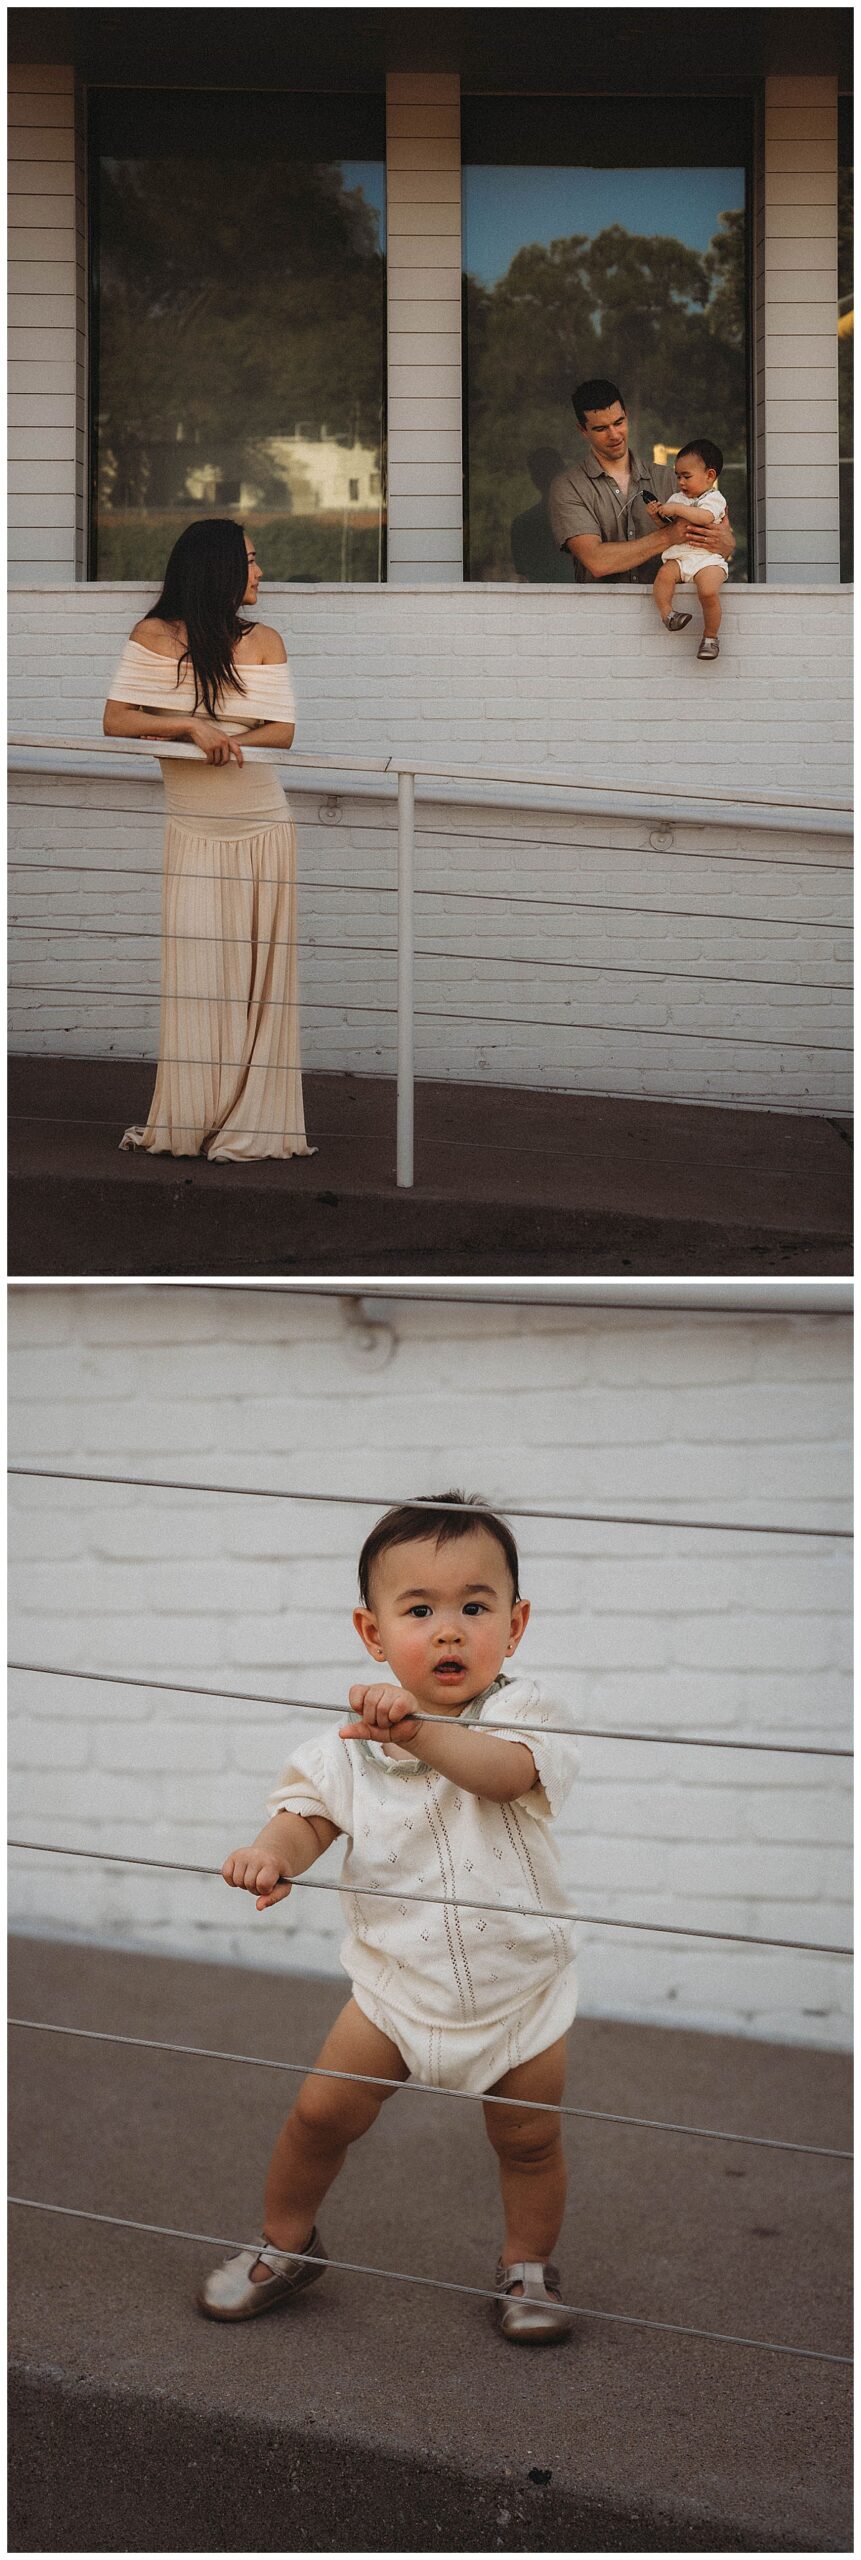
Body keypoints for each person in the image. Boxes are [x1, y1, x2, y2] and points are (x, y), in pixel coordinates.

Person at [199, 1492, 579, 2344]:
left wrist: (415, 1733)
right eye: (419, 1610)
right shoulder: (343, 1746)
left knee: (526, 2141)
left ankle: (528, 2268)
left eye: (474, 1608)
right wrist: (274, 1855)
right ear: (373, 1634)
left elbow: (502, 1775)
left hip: (518, 1988)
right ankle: (285, 2245)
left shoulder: (525, 1715)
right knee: (321, 2115)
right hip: (393, 1985)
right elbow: (308, 1817)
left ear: (513, 1628)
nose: (449, 1631)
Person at [103, 517, 315, 1162]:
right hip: (192, 828)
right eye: (250, 560)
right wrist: (192, 727)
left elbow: (281, 733)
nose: (259, 573)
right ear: (218, 567)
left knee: (260, 980)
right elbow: (116, 719)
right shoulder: (154, 636)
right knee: (199, 975)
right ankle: (193, 1116)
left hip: (261, 825)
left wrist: (223, 742)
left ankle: (254, 1121)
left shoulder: (266, 641)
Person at [547, 377, 734, 588]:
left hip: (671, 614)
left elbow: (723, 546)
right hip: (602, 616)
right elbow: (597, 561)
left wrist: (726, 542)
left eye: (619, 422)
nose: (614, 435)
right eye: (601, 428)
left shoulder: (671, 479)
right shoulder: (569, 487)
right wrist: (670, 535)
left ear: (627, 415)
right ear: (583, 430)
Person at [646, 437, 728, 661]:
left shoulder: (714, 498)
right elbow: (669, 528)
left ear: (709, 475)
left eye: (686, 476)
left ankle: (710, 638)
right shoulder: (677, 498)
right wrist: (658, 516)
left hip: (706, 559)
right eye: (678, 476)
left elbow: (704, 517)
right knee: (663, 576)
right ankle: (668, 614)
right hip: (681, 557)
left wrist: (677, 508)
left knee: (708, 591)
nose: (681, 481)